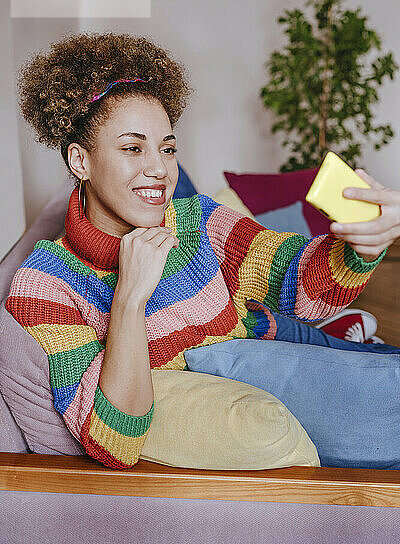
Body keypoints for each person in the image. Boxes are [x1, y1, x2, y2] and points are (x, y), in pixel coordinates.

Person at [5, 32, 400, 470]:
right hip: (265, 371)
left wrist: (362, 246)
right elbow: (115, 442)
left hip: (279, 331)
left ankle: (355, 336)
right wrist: (130, 297)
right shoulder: (45, 286)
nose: (159, 169)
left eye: (167, 148)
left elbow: (300, 287)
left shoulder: (198, 220)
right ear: (80, 161)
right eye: (133, 148)